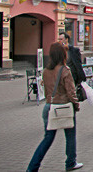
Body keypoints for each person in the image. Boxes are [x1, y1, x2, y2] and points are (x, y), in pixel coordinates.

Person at [27, 42, 83, 172]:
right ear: (63, 54)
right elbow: (71, 92)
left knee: (48, 138)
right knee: (70, 136)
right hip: (64, 107)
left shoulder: (46, 71)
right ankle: (70, 162)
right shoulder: (65, 70)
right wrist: (76, 104)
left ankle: (32, 166)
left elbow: (46, 89)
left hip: (49, 106)